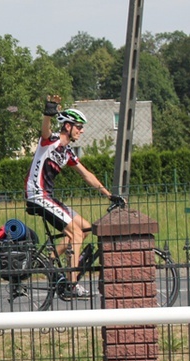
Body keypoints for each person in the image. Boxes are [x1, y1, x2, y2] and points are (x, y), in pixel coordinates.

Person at [24, 95, 114, 298]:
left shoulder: (68, 153)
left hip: (48, 196)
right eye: (79, 126)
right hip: (37, 195)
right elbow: (45, 130)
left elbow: (86, 175)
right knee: (76, 234)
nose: (81, 131)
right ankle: (71, 285)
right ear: (67, 126)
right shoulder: (52, 141)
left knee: (85, 228)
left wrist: (109, 195)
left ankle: (50, 258)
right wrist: (48, 112)